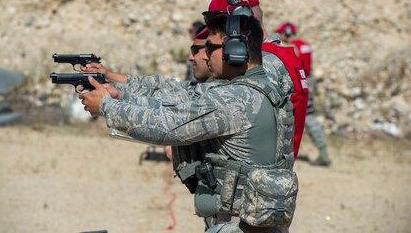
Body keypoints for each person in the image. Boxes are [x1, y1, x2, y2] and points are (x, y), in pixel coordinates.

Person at [79, 14, 297, 232]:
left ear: (236, 50)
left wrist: (107, 107)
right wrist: (119, 96)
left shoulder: (235, 99)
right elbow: (177, 105)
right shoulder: (261, 88)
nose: (204, 56)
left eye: (210, 47)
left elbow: (168, 126)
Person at [205, 0, 308, 160]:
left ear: (241, 18)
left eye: (221, 27)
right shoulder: (281, 57)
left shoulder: (265, 63)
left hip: (253, 174)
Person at [275, 22, 332, 166]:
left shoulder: (291, 47)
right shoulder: (305, 45)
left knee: (291, 116)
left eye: (282, 33)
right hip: (307, 81)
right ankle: (322, 150)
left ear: (286, 33)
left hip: (296, 82)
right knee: (309, 115)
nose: (280, 36)